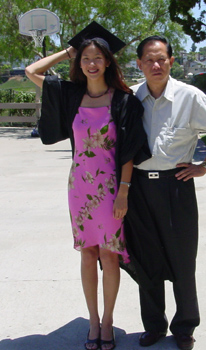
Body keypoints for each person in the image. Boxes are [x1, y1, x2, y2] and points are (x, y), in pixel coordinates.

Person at [25, 21, 150, 350]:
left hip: (110, 190)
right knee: (87, 253)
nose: (91, 63)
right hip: (79, 187)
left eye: (97, 57)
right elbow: (31, 70)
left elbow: (129, 150)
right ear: (78, 63)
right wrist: (70, 49)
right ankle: (92, 320)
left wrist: (123, 191)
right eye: (85, 58)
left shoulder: (123, 101)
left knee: (110, 256)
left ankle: (107, 321)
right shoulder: (69, 95)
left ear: (108, 61)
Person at [124, 36, 206, 350]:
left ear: (171, 61)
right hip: (139, 189)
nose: (155, 65)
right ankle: (155, 326)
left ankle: (185, 326)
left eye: (161, 58)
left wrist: (205, 165)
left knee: (183, 259)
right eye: (149, 59)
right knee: (146, 259)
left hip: (176, 186)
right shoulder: (130, 98)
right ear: (139, 64)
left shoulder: (189, 96)